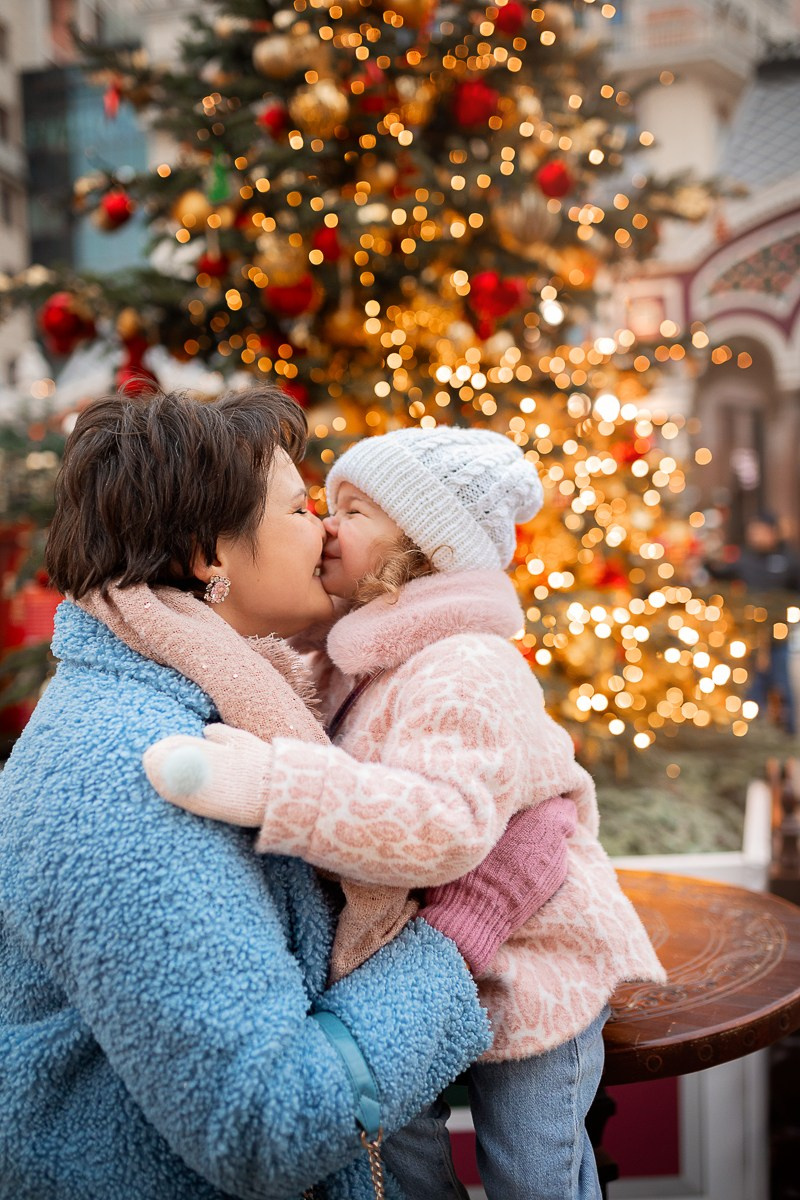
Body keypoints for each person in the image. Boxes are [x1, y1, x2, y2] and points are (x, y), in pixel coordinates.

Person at [0, 387, 578, 1200]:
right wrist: (461, 928)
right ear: (210, 554)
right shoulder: (135, 773)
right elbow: (266, 1126)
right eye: (300, 506)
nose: (325, 529)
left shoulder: (217, 698)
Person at [144, 426, 667, 1200]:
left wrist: (274, 788)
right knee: (400, 1162)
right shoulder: (365, 657)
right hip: (421, 973)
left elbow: (443, 825)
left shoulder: (465, 662)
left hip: (537, 961)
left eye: (351, 510)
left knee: (532, 1172)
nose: (324, 525)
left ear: (421, 549)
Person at [709, 512, 800, 735]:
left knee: (781, 680)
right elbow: (720, 574)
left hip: (778, 634)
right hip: (748, 635)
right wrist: (707, 558)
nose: (756, 535)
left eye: (760, 530)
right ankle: (754, 730)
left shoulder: (788, 559)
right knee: (752, 684)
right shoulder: (744, 558)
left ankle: (787, 732)